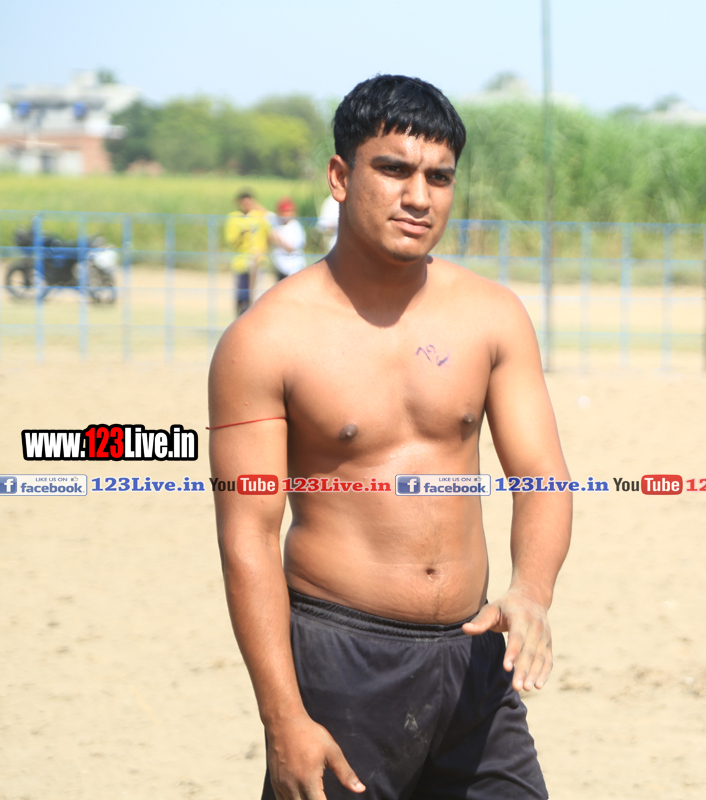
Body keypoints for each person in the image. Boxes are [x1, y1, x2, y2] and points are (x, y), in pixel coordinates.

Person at [209, 75, 570, 800]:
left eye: (440, 178)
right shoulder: (266, 340)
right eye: (395, 170)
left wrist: (532, 590)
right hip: (341, 662)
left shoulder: (492, 316)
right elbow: (248, 534)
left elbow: (542, 475)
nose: (419, 197)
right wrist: (283, 718)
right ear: (341, 177)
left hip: (474, 656)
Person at [224, 191, 272, 316]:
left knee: (257, 295)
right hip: (241, 262)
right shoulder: (233, 218)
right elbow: (230, 240)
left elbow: (272, 223)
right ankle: (240, 318)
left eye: (249, 200)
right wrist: (242, 233)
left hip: (258, 261)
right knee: (241, 295)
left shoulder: (260, 216)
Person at [268, 197, 306, 281]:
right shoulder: (276, 222)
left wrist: (277, 238)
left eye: (289, 211)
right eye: (284, 211)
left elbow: (291, 248)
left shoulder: (296, 227)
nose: (287, 214)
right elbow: (264, 213)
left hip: (293, 268)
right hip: (279, 266)